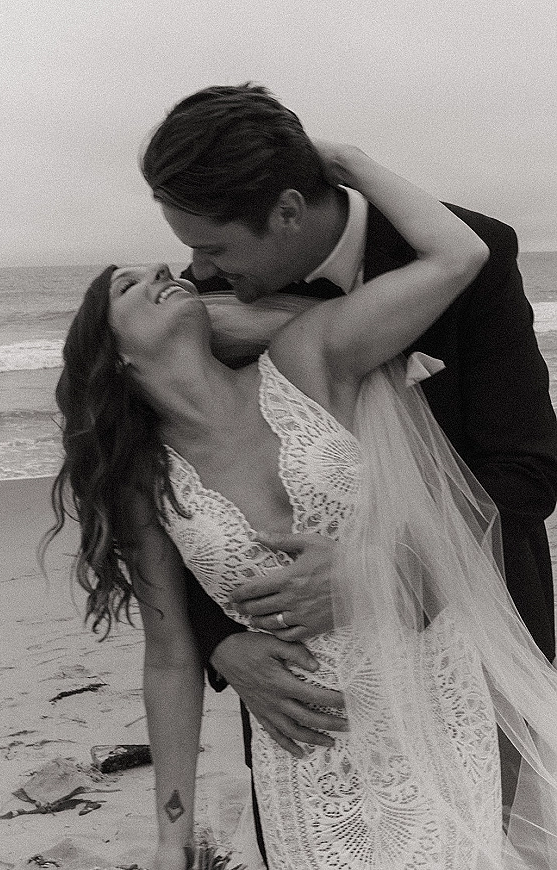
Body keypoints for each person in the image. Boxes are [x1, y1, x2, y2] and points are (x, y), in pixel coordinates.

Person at [48, 148, 557, 869]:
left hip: (433, 682)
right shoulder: (143, 476)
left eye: (195, 256)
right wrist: (172, 832)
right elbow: (167, 655)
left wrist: (345, 158)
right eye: (134, 283)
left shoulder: (304, 356)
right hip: (305, 736)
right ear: (113, 355)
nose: (182, 269)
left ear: (287, 212)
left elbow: (523, 467)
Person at [140, 85, 557, 781]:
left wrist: (379, 569)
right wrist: (219, 645)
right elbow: (186, 484)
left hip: (475, 635)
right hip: (307, 685)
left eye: (212, 248)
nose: (200, 272)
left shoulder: (474, 255)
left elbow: (528, 471)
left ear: (289, 210)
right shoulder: (203, 302)